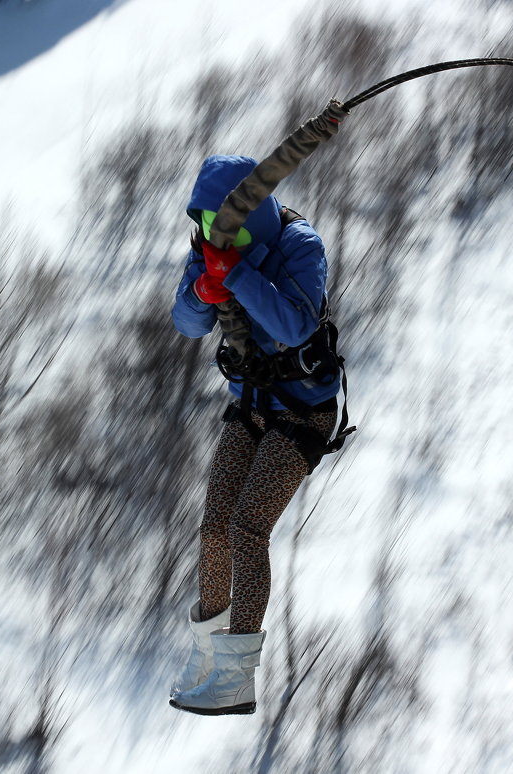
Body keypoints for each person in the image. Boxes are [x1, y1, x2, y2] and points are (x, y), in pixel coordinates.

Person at [168, 154, 347, 716]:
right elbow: (186, 322)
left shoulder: (300, 246)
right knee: (213, 528)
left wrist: (239, 275)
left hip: (301, 414)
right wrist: (205, 286)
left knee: (247, 527)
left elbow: (295, 324)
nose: (217, 238)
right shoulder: (207, 250)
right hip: (250, 404)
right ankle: (207, 656)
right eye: (206, 227)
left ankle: (236, 675)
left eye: (229, 229)